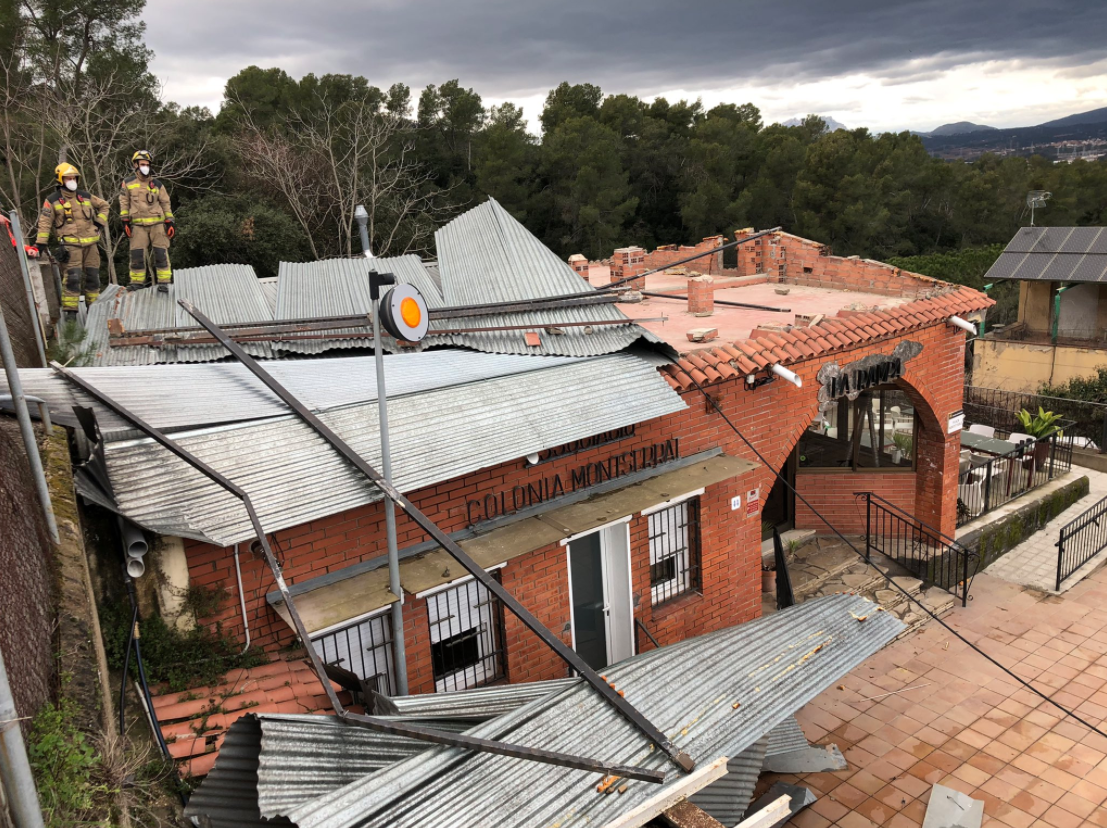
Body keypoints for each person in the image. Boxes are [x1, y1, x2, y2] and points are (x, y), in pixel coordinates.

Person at [35, 162, 108, 319]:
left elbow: (104, 206)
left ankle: (94, 309)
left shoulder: (85, 196)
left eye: (74, 178)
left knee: (93, 277)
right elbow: (45, 222)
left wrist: (98, 223)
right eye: (68, 178)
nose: (72, 180)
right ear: (61, 180)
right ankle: (71, 313)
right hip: (71, 246)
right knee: (72, 278)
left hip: (91, 245)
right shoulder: (52, 200)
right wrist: (41, 242)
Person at [119, 150, 174, 292]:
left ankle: (164, 282)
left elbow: (165, 203)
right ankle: (137, 283)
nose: (145, 167)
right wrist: (125, 221)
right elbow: (124, 202)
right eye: (142, 164)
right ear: (136, 165)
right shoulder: (127, 183)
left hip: (157, 225)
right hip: (138, 226)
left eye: (147, 164)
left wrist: (169, 222)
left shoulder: (157, 184)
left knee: (161, 254)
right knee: (136, 255)